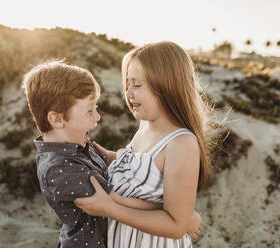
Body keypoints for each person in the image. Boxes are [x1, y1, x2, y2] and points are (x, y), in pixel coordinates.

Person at [22, 60, 203, 248]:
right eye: (90, 111)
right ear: (57, 119)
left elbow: (131, 171)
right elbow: (115, 199)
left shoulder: (77, 147)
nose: (97, 117)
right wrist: (181, 215)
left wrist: (116, 158)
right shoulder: (60, 169)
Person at [74, 41, 211, 248]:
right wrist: (113, 158)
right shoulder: (145, 127)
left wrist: (109, 209)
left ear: (167, 86)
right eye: (127, 84)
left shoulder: (181, 143)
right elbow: (143, 169)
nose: (128, 94)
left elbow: (176, 226)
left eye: (137, 85)